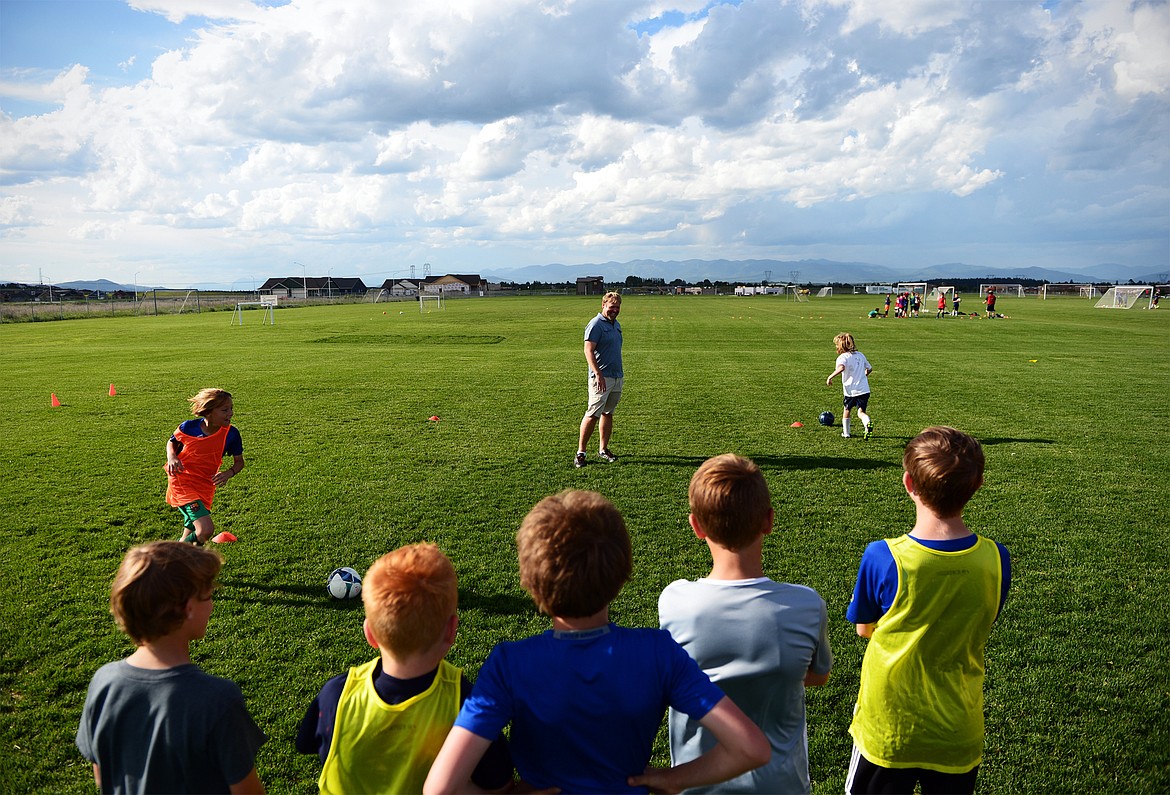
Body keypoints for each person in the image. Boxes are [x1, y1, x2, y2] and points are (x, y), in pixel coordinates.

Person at [424, 490, 770, 794]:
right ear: (621, 575)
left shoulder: (510, 664)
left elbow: (440, 788)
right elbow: (751, 748)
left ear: (530, 582)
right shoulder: (657, 653)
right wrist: (672, 779)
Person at [844, 427, 1011, 795]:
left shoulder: (883, 556)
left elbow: (864, 629)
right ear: (979, 483)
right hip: (957, 726)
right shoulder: (997, 559)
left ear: (908, 483)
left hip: (889, 727)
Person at [659, 454, 833, 794]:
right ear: (769, 520)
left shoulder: (675, 601)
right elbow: (817, 675)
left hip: (698, 784)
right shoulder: (806, 605)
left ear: (696, 526)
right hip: (781, 784)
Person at [296, 543, 512, 794]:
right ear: (452, 630)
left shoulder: (336, 694)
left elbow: (307, 744)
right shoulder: (465, 701)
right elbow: (500, 786)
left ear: (370, 634)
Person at [75, 541, 267, 794]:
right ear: (188, 608)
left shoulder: (103, 682)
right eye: (208, 596)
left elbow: (102, 776)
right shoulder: (217, 699)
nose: (211, 606)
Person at [164, 388, 244, 545]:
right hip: (182, 480)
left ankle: (181, 560)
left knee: (192, 532)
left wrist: (229, 473)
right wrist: (172, 457)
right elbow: (172, 442)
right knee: (205, 530)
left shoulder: (231, 434)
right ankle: (171, 554)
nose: (230, 413)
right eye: (224, 410)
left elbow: (239, 462)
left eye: (231, 408)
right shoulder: (188, 428)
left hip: (205, 484)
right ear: (208, 412)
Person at [576, 291, 624, 468]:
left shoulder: (615, 324)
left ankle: (603, 449)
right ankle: (581, 452)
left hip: (616, 376)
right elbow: (588, 350)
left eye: (617, 307)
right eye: (612, 307)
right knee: (593, 413)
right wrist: (597, 373)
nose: (615, 310)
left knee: (608, 412)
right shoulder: (595, 324)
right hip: (601, 378)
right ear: (603, 305)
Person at [826, 332, 874, 440]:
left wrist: (830, 377)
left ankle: (846, 433)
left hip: (851, 390)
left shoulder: (842, 358)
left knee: (847, 410)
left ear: (841, 346)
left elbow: (841, 368)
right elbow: (869, 368)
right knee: (861, 412)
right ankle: (867, 423)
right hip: (864, 389)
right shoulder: (860, 355)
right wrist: (864, 375)